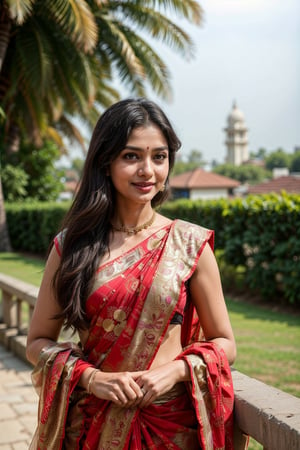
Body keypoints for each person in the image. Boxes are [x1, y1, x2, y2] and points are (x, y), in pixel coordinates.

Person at [26, 98, 237, 450]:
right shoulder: (72, 247)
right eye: (131, 156)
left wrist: (175, 371)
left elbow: (224, 343)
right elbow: (37, 343)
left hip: (170, 429)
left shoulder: (189, 245)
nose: (148, 171)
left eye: (159, 156)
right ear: (105, 162)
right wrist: (92, 379)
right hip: (90, 427)